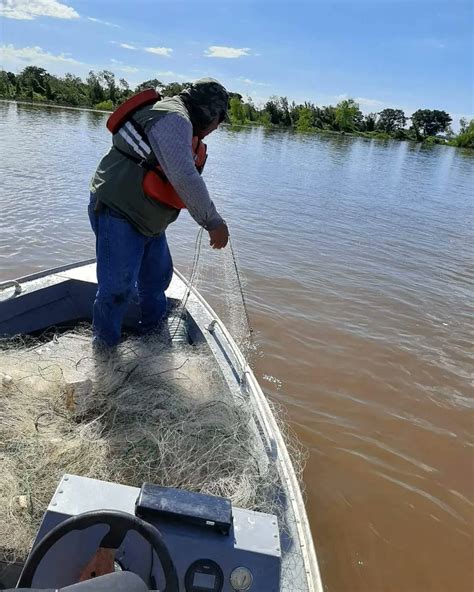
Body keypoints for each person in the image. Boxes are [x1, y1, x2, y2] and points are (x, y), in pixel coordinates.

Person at [88, 78, 230, 347]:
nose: (217, 127)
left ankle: (154, 341)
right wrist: (212, 221)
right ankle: (104, 352)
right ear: (209, 111)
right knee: (117, 290)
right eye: (219, 119)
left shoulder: (183, 121)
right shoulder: (174, 118)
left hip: (149, 221)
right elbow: (184, 176)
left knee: (156, 282)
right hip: (120, 211)